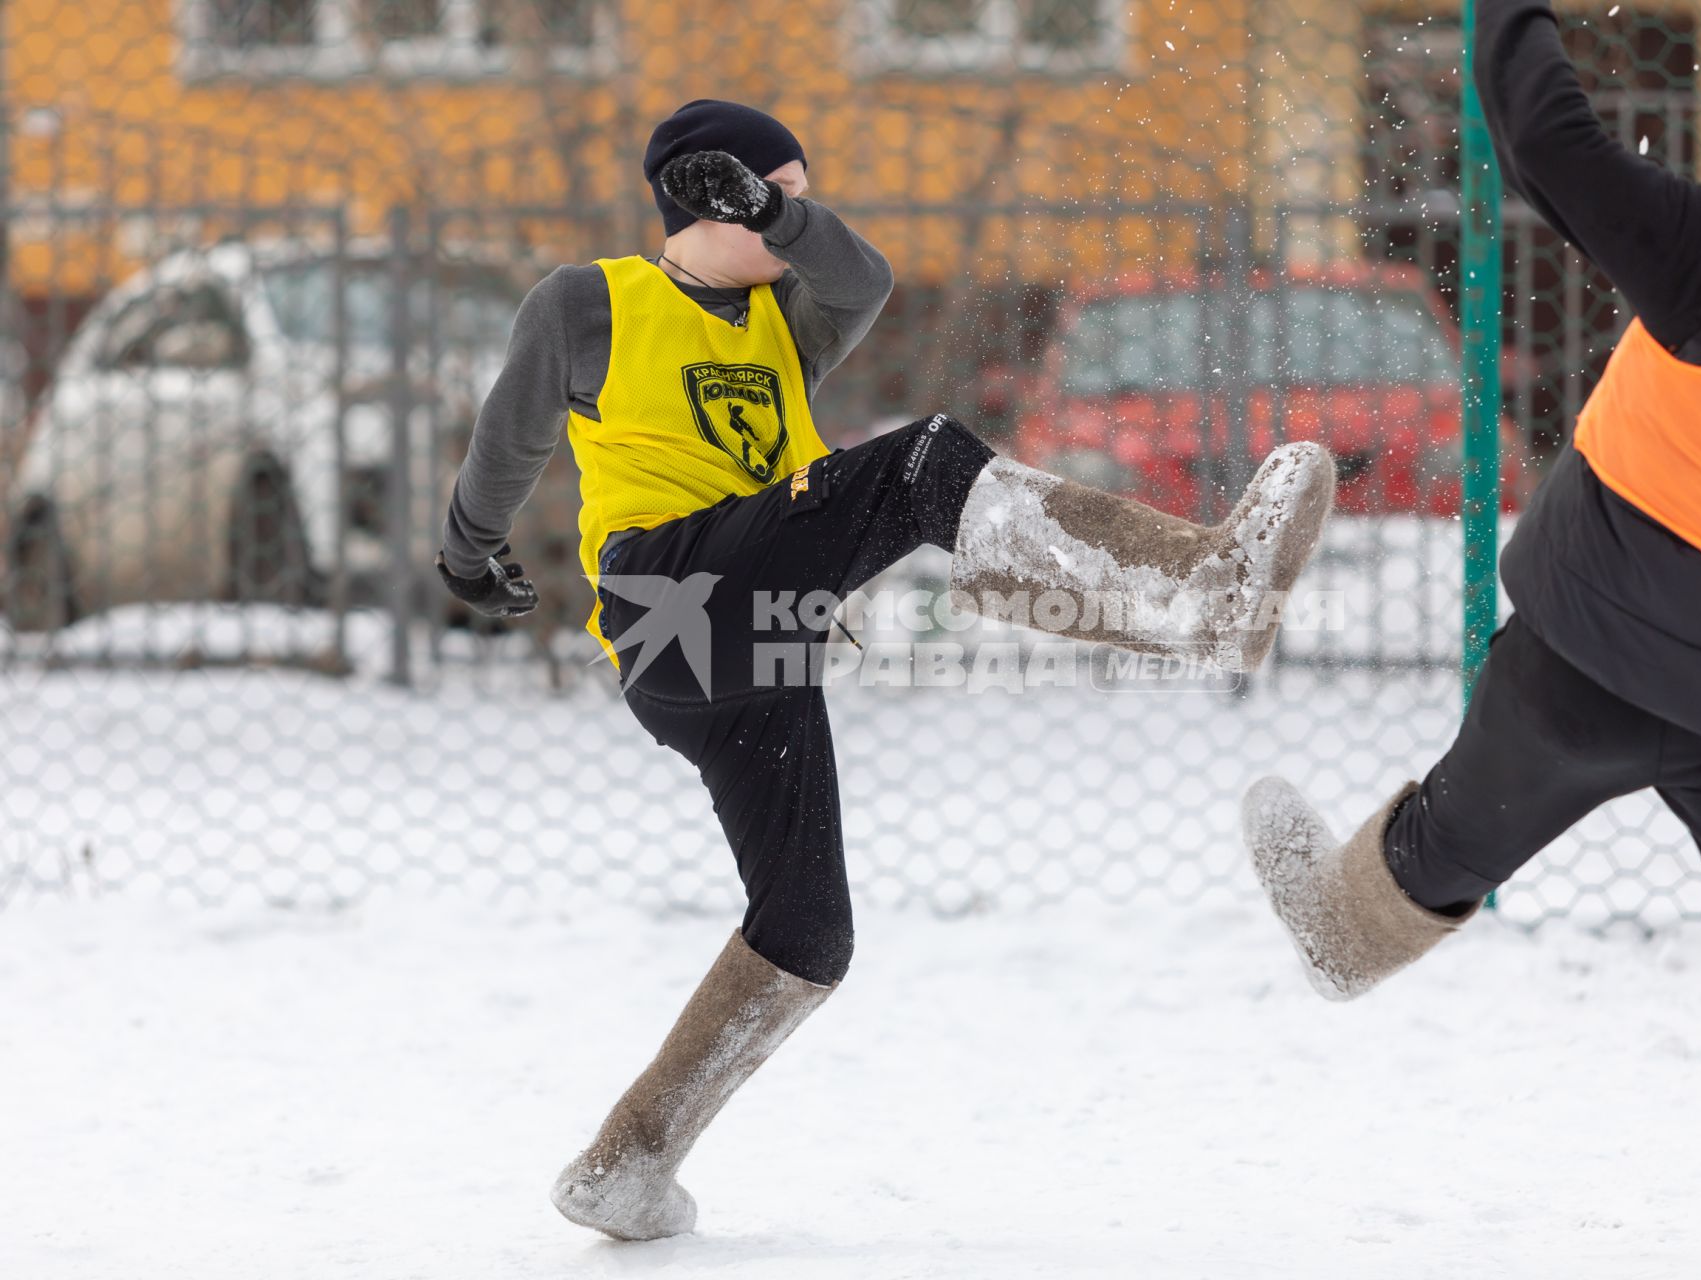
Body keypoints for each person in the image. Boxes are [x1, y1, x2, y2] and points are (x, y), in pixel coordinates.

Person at [436, 99, 1338, 1241]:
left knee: (807, 930)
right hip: (669, 599)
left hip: (761, 637)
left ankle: (628, 1158)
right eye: (778, 189)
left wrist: (775, 215)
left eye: (799, 193)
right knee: (920, 463)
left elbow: (863, 278)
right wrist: (467, 546)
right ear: (696, 198)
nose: (801, 212)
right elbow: (510, 437)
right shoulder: (591, 302)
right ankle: (1202, 593)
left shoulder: (787, 317)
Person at [1238, 5, 1701, 1276]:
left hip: (1583, 668)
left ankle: (1338, 933)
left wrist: (1511, 18)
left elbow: (1553, 144)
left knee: (1449, 840)